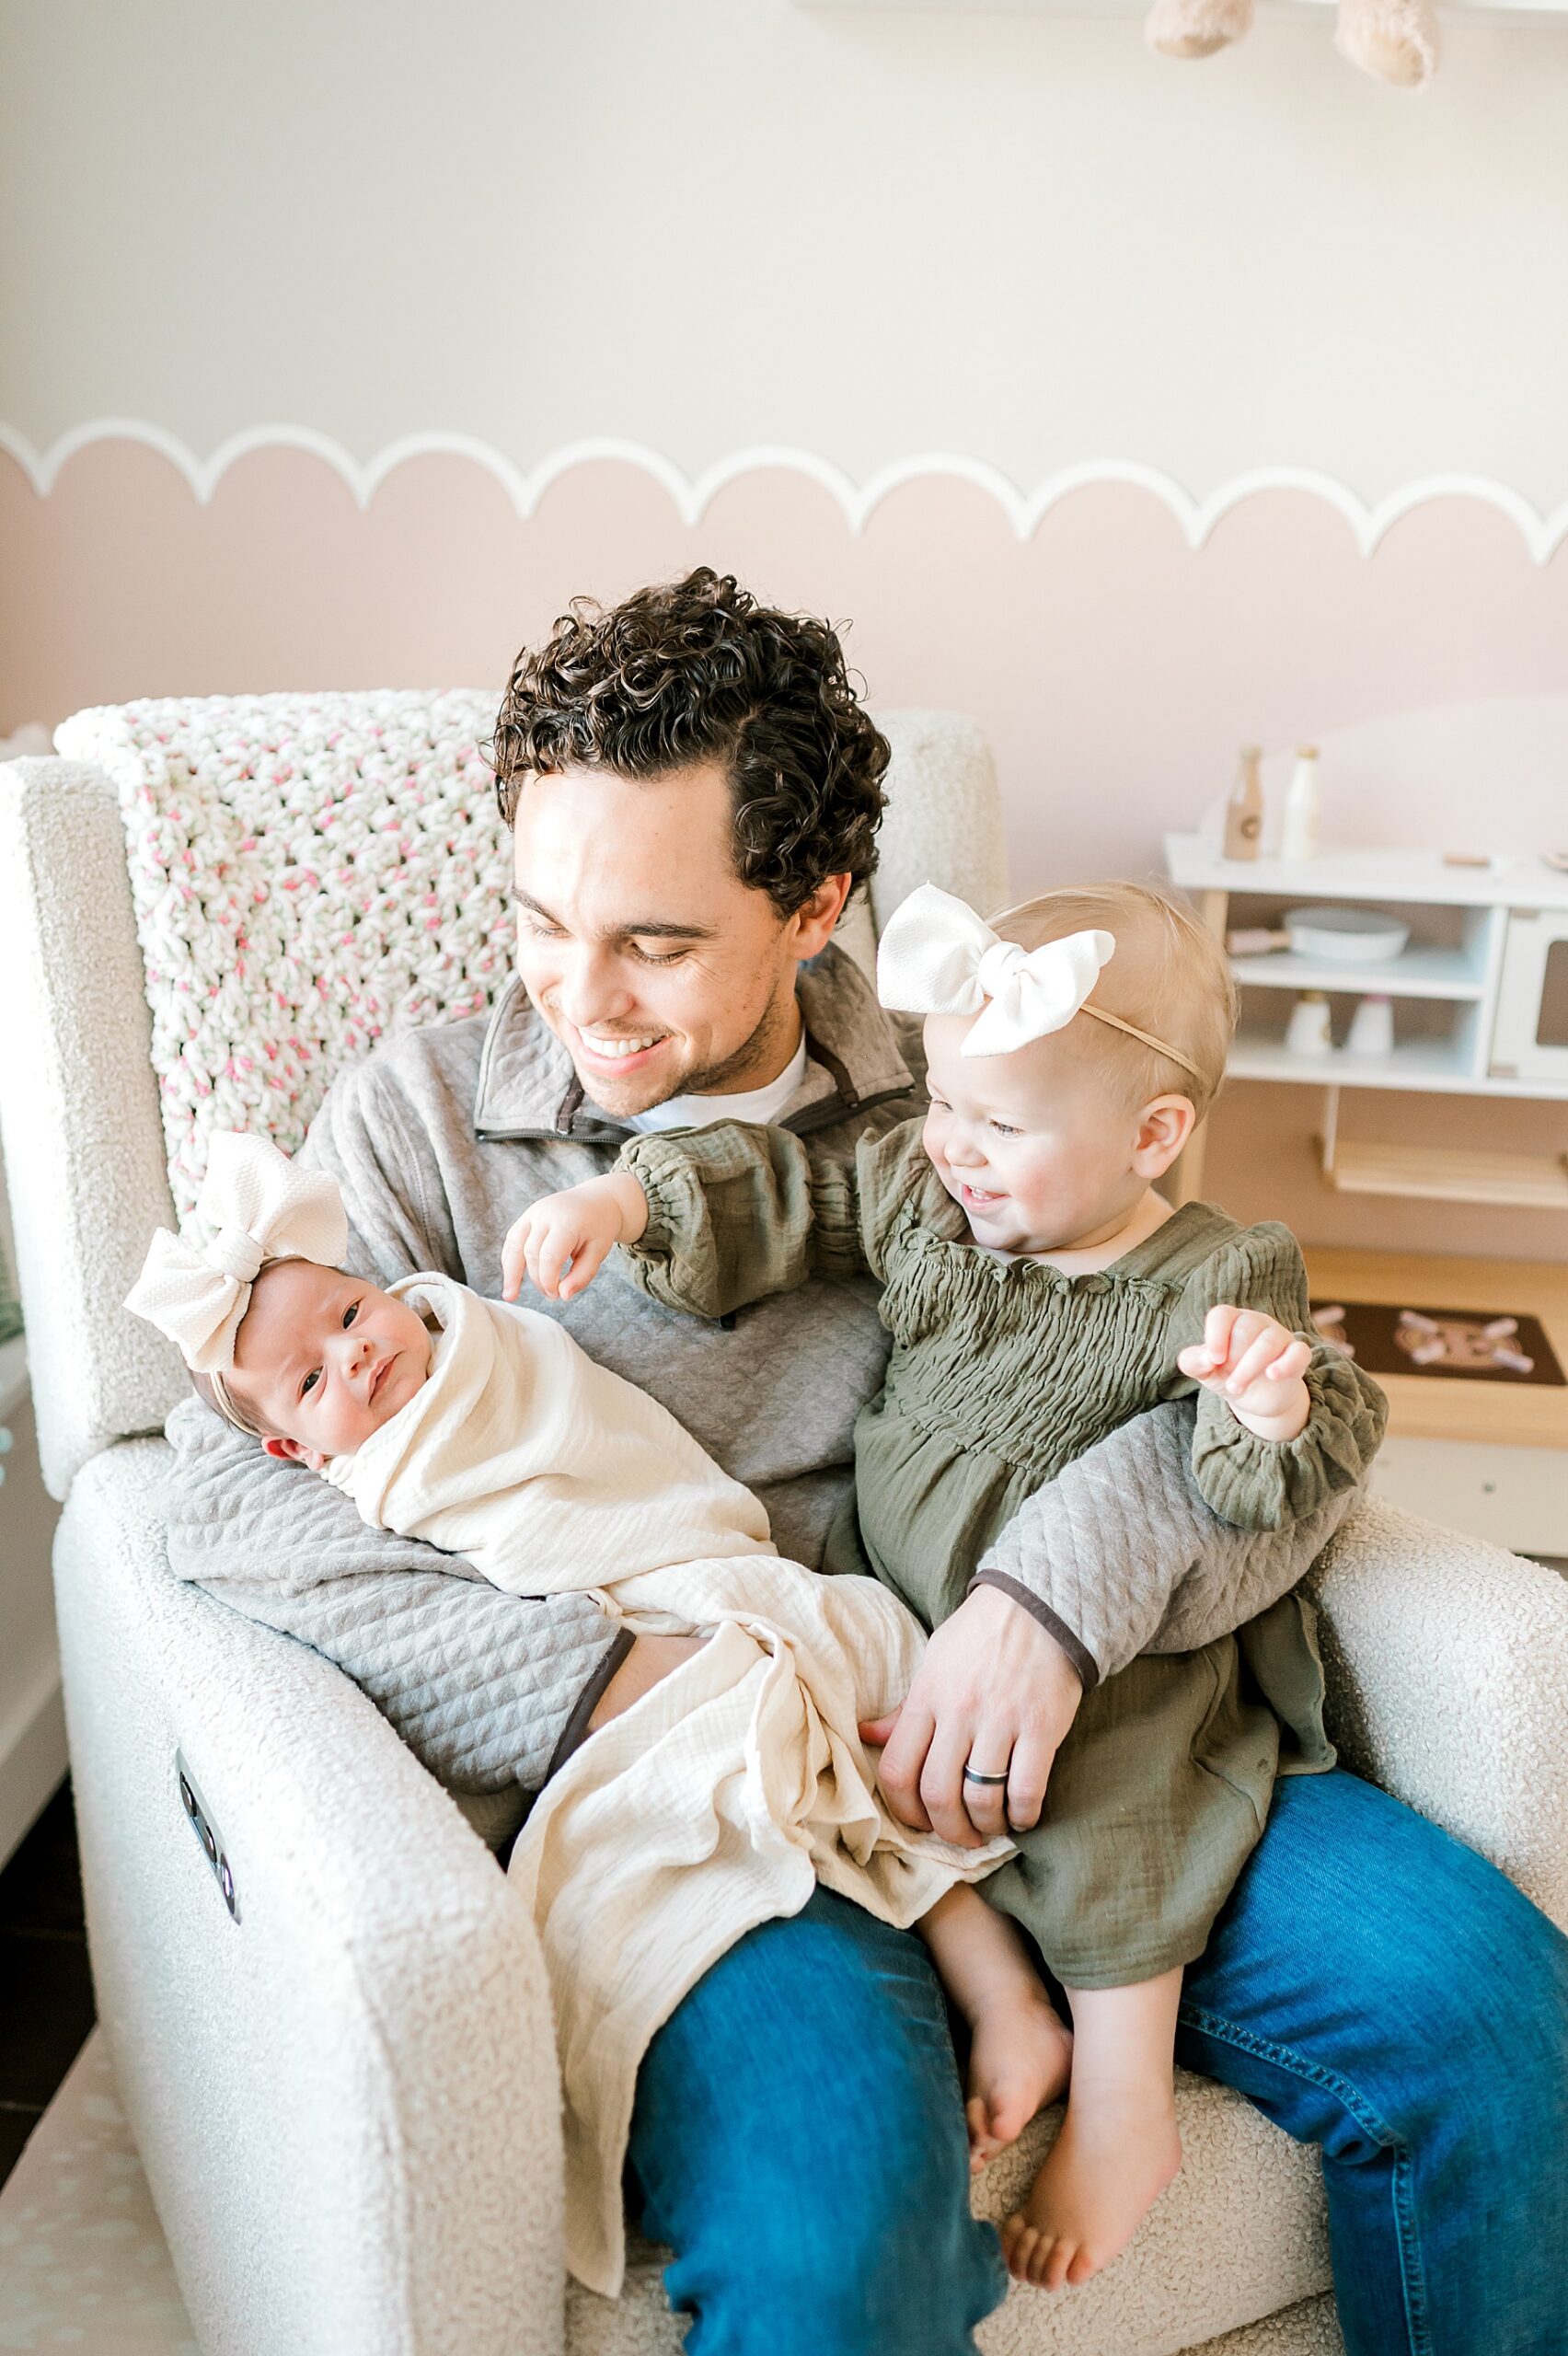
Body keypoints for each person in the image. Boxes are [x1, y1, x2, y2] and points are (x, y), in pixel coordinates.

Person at [162, 570, 1568, 2356]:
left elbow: (1237, 1396)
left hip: (1087, 1736)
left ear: (816, 902)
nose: (577, 993)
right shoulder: (424, 1121)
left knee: (1486, 2013)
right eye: (539, 917)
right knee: (843, 2234)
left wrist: (1049, 1604)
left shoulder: (977, 1095)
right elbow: (202, 1479)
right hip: (732, 1790)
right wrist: (613, 1675)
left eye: (654, 941)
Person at [505, 875, 1389, 2290]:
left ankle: (1122, 2104)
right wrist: (627, 1194)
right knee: (836, 1755)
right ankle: (1002, 2004)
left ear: (1152, 1135)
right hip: (896, 1600)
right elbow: (789, 1187)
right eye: (951, 1107)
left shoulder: (1216, 1274)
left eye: (1006, 1125)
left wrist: (1267, 1406)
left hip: (1118, 1678)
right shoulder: (926, 1195)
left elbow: (1261, 1480)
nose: (958, 1151)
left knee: (1109, 1816)